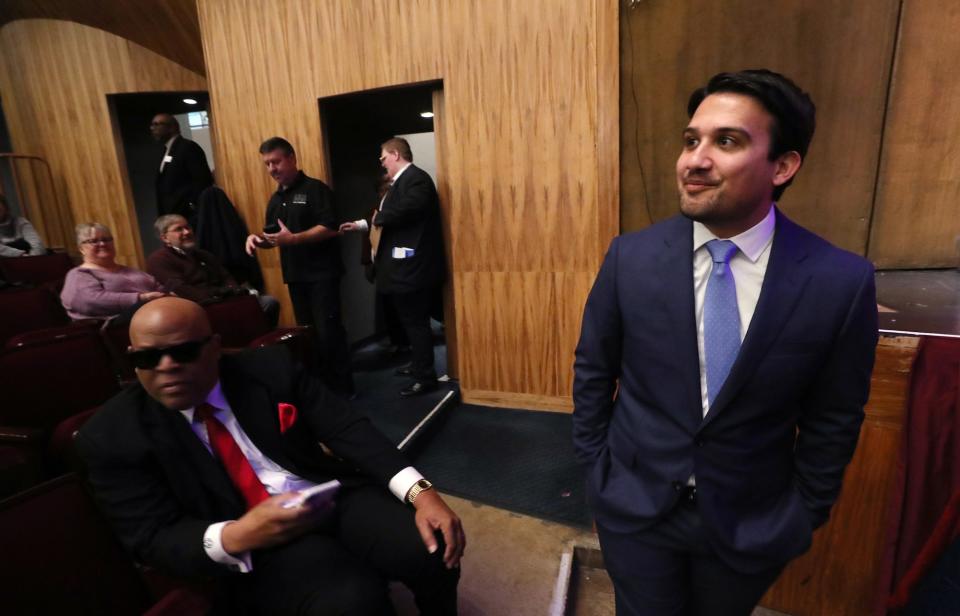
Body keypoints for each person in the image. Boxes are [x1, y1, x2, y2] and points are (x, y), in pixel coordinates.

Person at [572, 69, 879, 616]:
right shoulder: (630, 258)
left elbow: (835, 415)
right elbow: (594, 370)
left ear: (782, 165)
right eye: (691, 140)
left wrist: (804, 510)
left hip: (751, 522)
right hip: (636, 508)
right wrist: (598, 472)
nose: (694, 159)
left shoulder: (839, 282)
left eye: (727, 141)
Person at [76, 297, 464, 615]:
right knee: (352, 600)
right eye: (148, 358)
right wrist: (238, 534)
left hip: (323, 493)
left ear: (214, 347)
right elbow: (151, 538)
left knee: (430, 545)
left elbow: (348, 430)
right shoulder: (111, 436)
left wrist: (421, 493)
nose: (167, 369)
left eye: (184, 352)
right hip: (247, 532)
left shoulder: (269, 368)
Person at [245, 137, 354, 397]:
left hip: (322, 274)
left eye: (276, 161)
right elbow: (274, 236)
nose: (272, 168)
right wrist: (257, 240)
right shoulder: (275, 200)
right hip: (296, 276)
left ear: (292, 158)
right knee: (308, 335)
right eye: (267, 164)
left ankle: (343, 389)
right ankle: (320, 389)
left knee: (329, 332)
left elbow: (329, 228)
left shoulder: (316, 190)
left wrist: (293, 239)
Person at [340, 138, 446, 397]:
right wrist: (362, 224)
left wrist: (378, 218)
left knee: (416, 322)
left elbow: (409, 209)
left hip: (411, 267)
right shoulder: (398, 184)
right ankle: (419, 365)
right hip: (400, 268)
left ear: (396, 154)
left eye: (383, 157)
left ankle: (425, 376)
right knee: (409, 322)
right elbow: (385, 216)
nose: (381, 163)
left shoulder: (417, 179)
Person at [147, 214, 279, 326]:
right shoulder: (159, 260)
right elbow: (182, 289)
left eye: (188, 227)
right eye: (179, 229)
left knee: (269, 302)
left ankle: (261, 343)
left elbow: (226, 277)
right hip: (199, 307)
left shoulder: (203, 254)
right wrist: (220, 297)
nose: (187, 232)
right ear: (165, 238)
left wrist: (234, 292)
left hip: (225, 299)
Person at [60, 223, 166, 321]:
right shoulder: (79, 274)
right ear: (81, 248)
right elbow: (90, 302)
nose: (102, 244)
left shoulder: (130, 270)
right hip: (118, 326)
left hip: (155, 313)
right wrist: (142, 298)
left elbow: (158, 287)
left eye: (107, 239)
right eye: (94, 241)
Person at [151, 113, 214, 220]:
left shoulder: (187, 147)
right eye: (153, 124)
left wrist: (190, 205)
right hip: (170, 215)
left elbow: (203, 180)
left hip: (187, 214)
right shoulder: (165, 150)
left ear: (172, 127)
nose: (153, 128)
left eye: (158, 124)